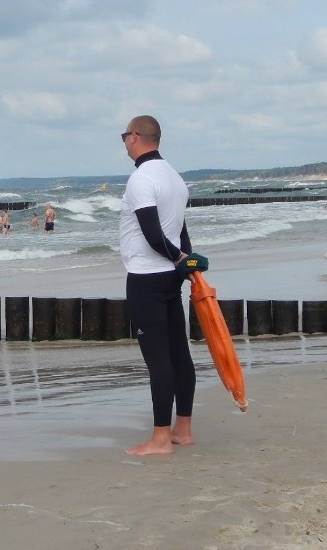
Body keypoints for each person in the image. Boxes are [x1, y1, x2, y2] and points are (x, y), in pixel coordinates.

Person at [119, 115, 206, 456]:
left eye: (125, 135)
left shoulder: (141, 178)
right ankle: (182, 430)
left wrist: (177, 259)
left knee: (158, 359)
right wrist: (184, 261)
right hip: (169, 277)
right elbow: (179, 231)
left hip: (146, 278)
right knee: (178, 353)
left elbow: (153, 234)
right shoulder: (174, 177)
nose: (124, 141)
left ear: (136, 137)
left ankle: (159, 440)